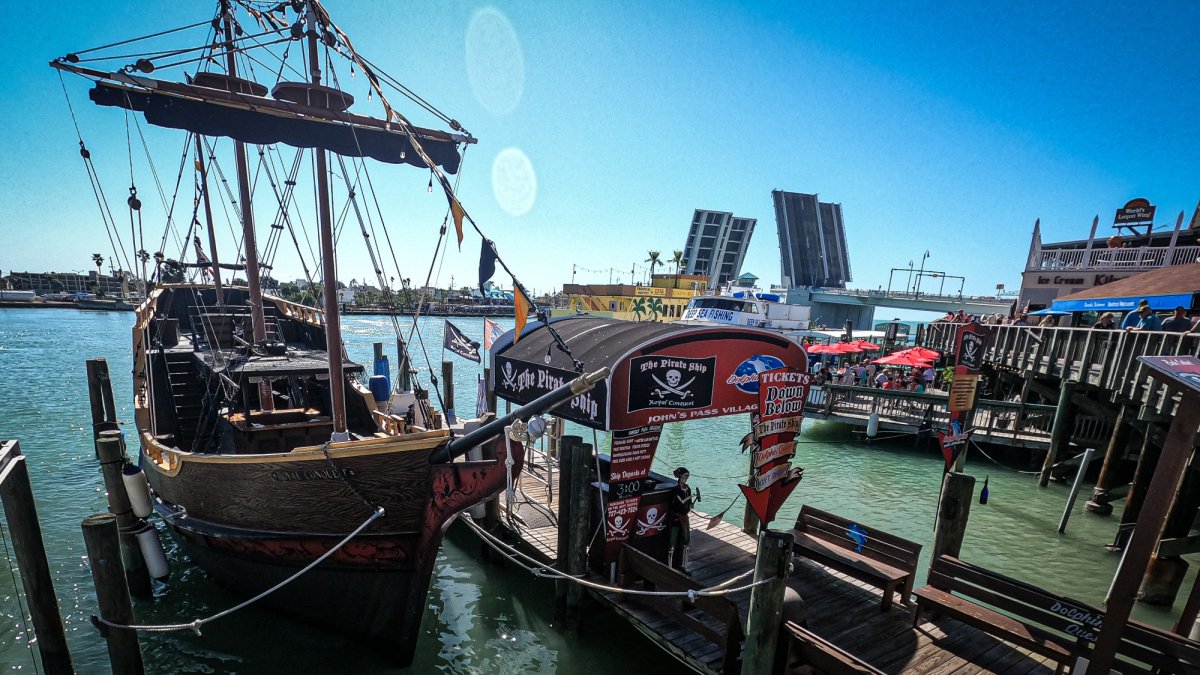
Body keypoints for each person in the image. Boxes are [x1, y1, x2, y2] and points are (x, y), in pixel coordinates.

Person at [667, 467, 699, 571]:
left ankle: (684, 566)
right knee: (672, 542)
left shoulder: (688, 489)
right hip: (676, 518)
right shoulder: (675, 490)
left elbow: (688, 505)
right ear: (680, 476)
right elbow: (675, 503)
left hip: (684, 518)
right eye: (685, 476)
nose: (686, 478)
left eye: (687, 476)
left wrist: (690, 504)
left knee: (686, 541)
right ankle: (670, 567)